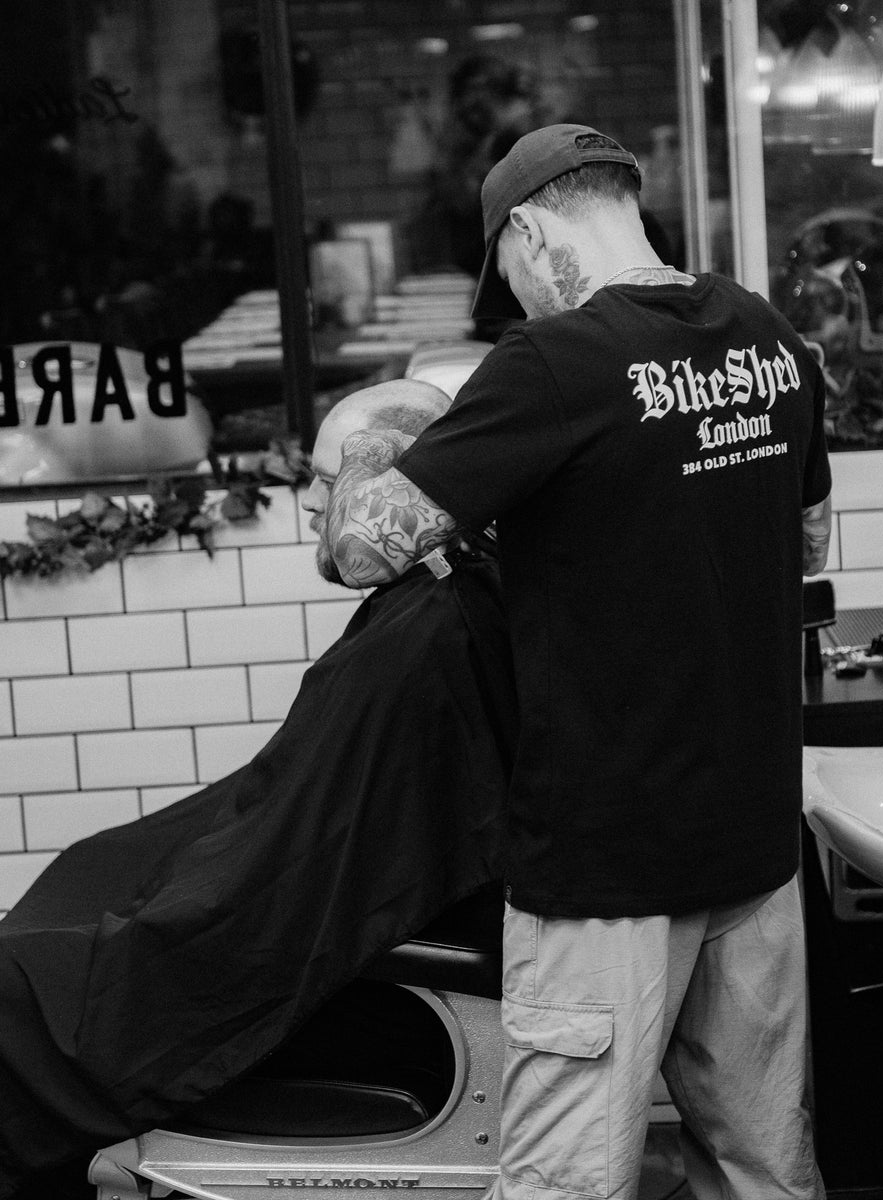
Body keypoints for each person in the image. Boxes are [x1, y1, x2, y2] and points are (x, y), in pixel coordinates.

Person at [324, 124, 834, 1200]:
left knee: (565, 1185)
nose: (513, 297)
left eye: (506, 271)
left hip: (609, 864)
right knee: (765, 1172)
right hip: (754, 844)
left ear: (529, 229)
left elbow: (359, 549)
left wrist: (374, 430)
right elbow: (806, 542)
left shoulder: (553, 363)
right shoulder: (767, 335)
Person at [0, 379, 517, 1200]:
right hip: (310, 927)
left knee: (22, 992)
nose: (309, 502)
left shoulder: (432, 632)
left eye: (327, 479)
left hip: (358, 992)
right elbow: (306, 817)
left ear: (403, 484)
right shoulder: (438, 599)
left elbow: (302, 865)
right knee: (75, 897)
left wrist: (174, 910)